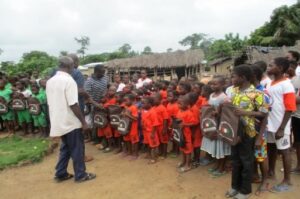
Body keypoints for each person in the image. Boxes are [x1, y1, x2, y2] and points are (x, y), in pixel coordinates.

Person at [47, 56, 96, 183]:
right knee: (77, 148)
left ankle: (61, 173)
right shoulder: (69, 81)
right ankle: (80, 175)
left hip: (58, 120)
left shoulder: (50, 81)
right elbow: (73, 104)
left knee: (66, 148)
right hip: (70, 121)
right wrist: (83, 122)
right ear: (70, 66)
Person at [226, 64, 267, 198]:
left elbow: (264, 114)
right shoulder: (235, 92)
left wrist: (246, 112)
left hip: (248, 133)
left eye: (234, 76)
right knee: (235, 160)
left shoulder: (257, 94)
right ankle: (234, 187)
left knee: (246, 161)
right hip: (235, 131)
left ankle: (245, 191)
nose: (231, 78)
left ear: (242, 77)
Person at [266, 57, 296, 192]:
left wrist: (282, 128)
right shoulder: (270, 83)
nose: (268, 67)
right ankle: (271, 171)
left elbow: (290, 108)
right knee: (271, 148)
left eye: (271, 65)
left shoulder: (286, 84)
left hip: (280, 125)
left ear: (280, 68)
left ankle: (287, 180)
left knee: (284, 151)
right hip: (270, 124)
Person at [201, 77, 230, 177]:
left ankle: (222, 167)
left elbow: (226, 113)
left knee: (220, 146)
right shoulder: (211, 95)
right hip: (212, 124)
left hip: (220, 125)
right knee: (215, 147)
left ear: (222, 85)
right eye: (212, 84)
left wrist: (218, 113)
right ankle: (217, 165)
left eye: (216, 84)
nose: (213, 86)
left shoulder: (224, 97)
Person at [176, 95, 196, 173]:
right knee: (182, 148)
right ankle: (183, 161)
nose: (179, 105)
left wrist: (185, 124)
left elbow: (193, 123)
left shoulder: (189, 113)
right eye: (178, 103)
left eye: (181, 104)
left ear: (187, 105)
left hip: (186, 135)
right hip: (180, 134)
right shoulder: (179, 111)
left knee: (187, 150)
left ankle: (188, 165)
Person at [141, 96, 160, 164]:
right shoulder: (143, 110)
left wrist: (152, 133)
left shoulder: (153, 112)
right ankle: (149, 154)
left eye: (144, 103)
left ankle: (154, 158)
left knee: (153, 146)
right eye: (142, 103)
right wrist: (142, 124)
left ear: (149, 104)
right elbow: (143, 119)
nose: (142, 105)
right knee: (148, 144)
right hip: (145, 131)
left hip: (151, 132)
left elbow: (155, 124)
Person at [152, 92, 169, 159]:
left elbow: (165, 119)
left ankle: (164, 154)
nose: (153, 100)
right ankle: (160, 151)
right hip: (156, 127)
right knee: (159, 140)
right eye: (152, 99)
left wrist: (164, 129)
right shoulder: (153, 107)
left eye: (154, 99)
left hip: (161, 127)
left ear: (160, 100)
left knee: (164, 141)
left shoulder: (162, 108)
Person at [123, 94, 139, 159]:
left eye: (126, 101)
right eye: (124, 101)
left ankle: (135, 154)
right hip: (126, 126)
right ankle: (129, 152)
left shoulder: (133, 107)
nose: (125, 102)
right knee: (127, 139)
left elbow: (136, 118)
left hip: (133, 127)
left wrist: (128, 115)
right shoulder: (125, 107)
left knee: (134, 141)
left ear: (132, 101)